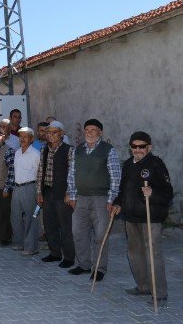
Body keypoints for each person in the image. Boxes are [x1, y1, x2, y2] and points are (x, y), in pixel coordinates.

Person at [112, 131, 172, 305]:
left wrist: (153, 193)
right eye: (134, 147)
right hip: (131, 217)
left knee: (153, 255)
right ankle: (143, 286)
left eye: (141, 147)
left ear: (149, 147)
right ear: (130, 148)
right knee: (135, 254)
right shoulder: (128, 164)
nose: (137, 150)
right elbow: (123, 190)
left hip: (150, 217)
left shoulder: (156, 164)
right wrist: (118, 202)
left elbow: (167, 192)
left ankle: (159, 293)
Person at [66, 119, 121, 281]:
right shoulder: (78, 150)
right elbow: (71, 174)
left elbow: (116, 176)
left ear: (100, 132)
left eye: (93, 130)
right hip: (81, 198)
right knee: (78, 232)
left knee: (100, 235)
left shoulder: (108, 150)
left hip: (101, 199)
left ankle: (99, 268)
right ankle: (83, 265)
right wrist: (72, 195)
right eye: (87, 130)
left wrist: (112, 199)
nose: (89, 133)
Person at [36, 121, 75, 268]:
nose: (50, 135)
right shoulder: (44, 150)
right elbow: (41, 171)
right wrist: (39, 192)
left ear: (61, 134)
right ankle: (55, 253)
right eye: (48, 132)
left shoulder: (69, 150)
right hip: (47, 192)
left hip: (62, 193)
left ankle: (69, 257)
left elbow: (72, 173)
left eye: (54, 132)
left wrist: (69, 192)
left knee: (65, 226)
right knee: (49, 224)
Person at [4, 127, 41, 255]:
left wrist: (39, 192)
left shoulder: (36, 154)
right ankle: (18, 243)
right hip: (17, 188)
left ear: (31, 139)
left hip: (30, 187)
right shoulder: (17, 152)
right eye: (20, 136)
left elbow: (39, 174)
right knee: (15, 217)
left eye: (25, 137)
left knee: (31, 218)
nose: (22, 139)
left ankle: (31, 247)